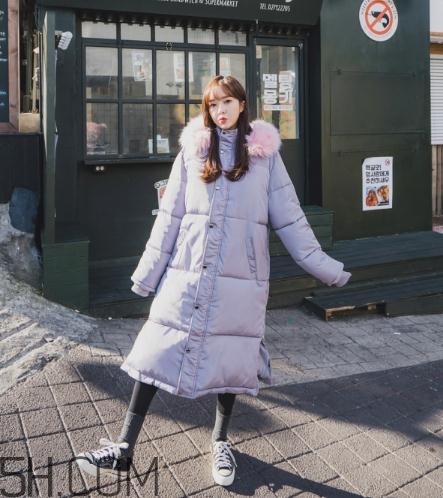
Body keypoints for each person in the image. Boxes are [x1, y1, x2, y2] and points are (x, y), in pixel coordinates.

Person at [76, 75, 351, 487]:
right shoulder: (192, 151)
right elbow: (170, 218)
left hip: (240, 281)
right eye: (213, 104)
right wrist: (147, 273)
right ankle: (123, 448)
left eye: (228, 102)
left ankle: (221, 442)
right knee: (154, 353)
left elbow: (291, 219)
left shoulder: (265, 158)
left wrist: (326, 268)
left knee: (231, 360)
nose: (220, 110)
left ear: (242, 104)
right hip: (186, 275)